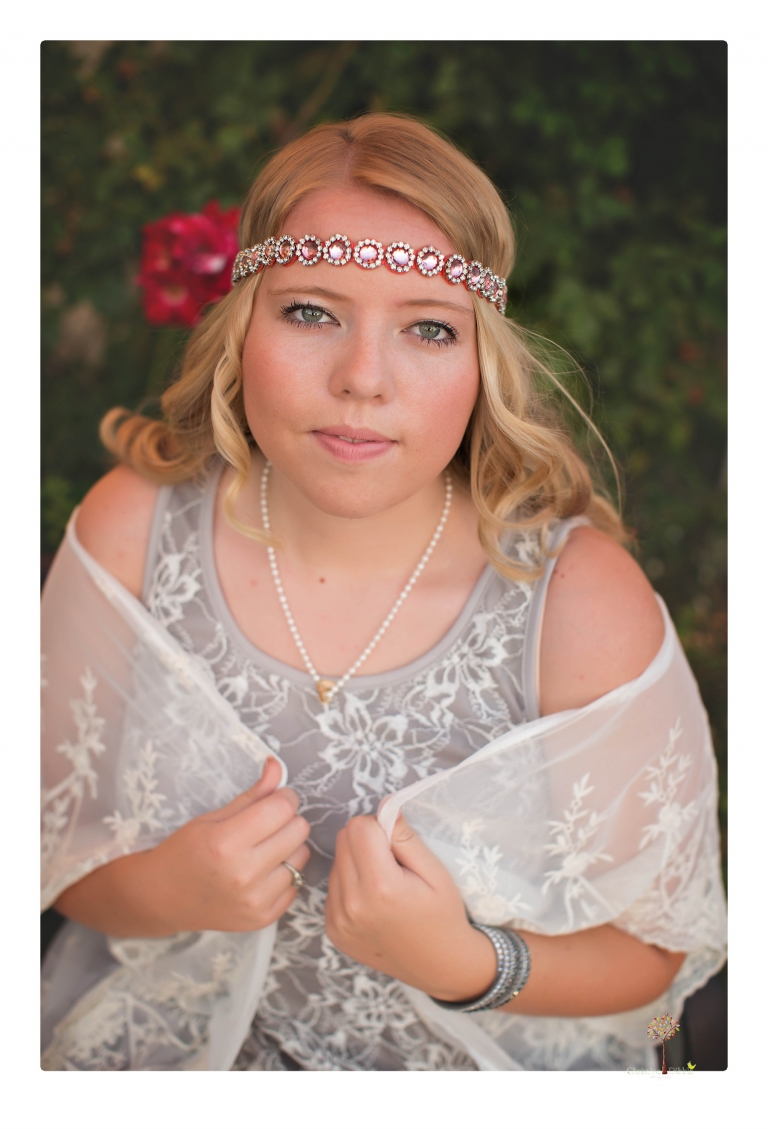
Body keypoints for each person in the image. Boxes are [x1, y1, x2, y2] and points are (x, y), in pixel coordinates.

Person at [40, 113, 726, 1071]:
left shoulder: (577, 603)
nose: (363, 378)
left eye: (429, 330)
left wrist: (465, 961)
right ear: (242, 327)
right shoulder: (132, 532)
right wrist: (172, 887)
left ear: (482, 363)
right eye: (312, 312)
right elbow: (56, 859)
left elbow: (659, 953)